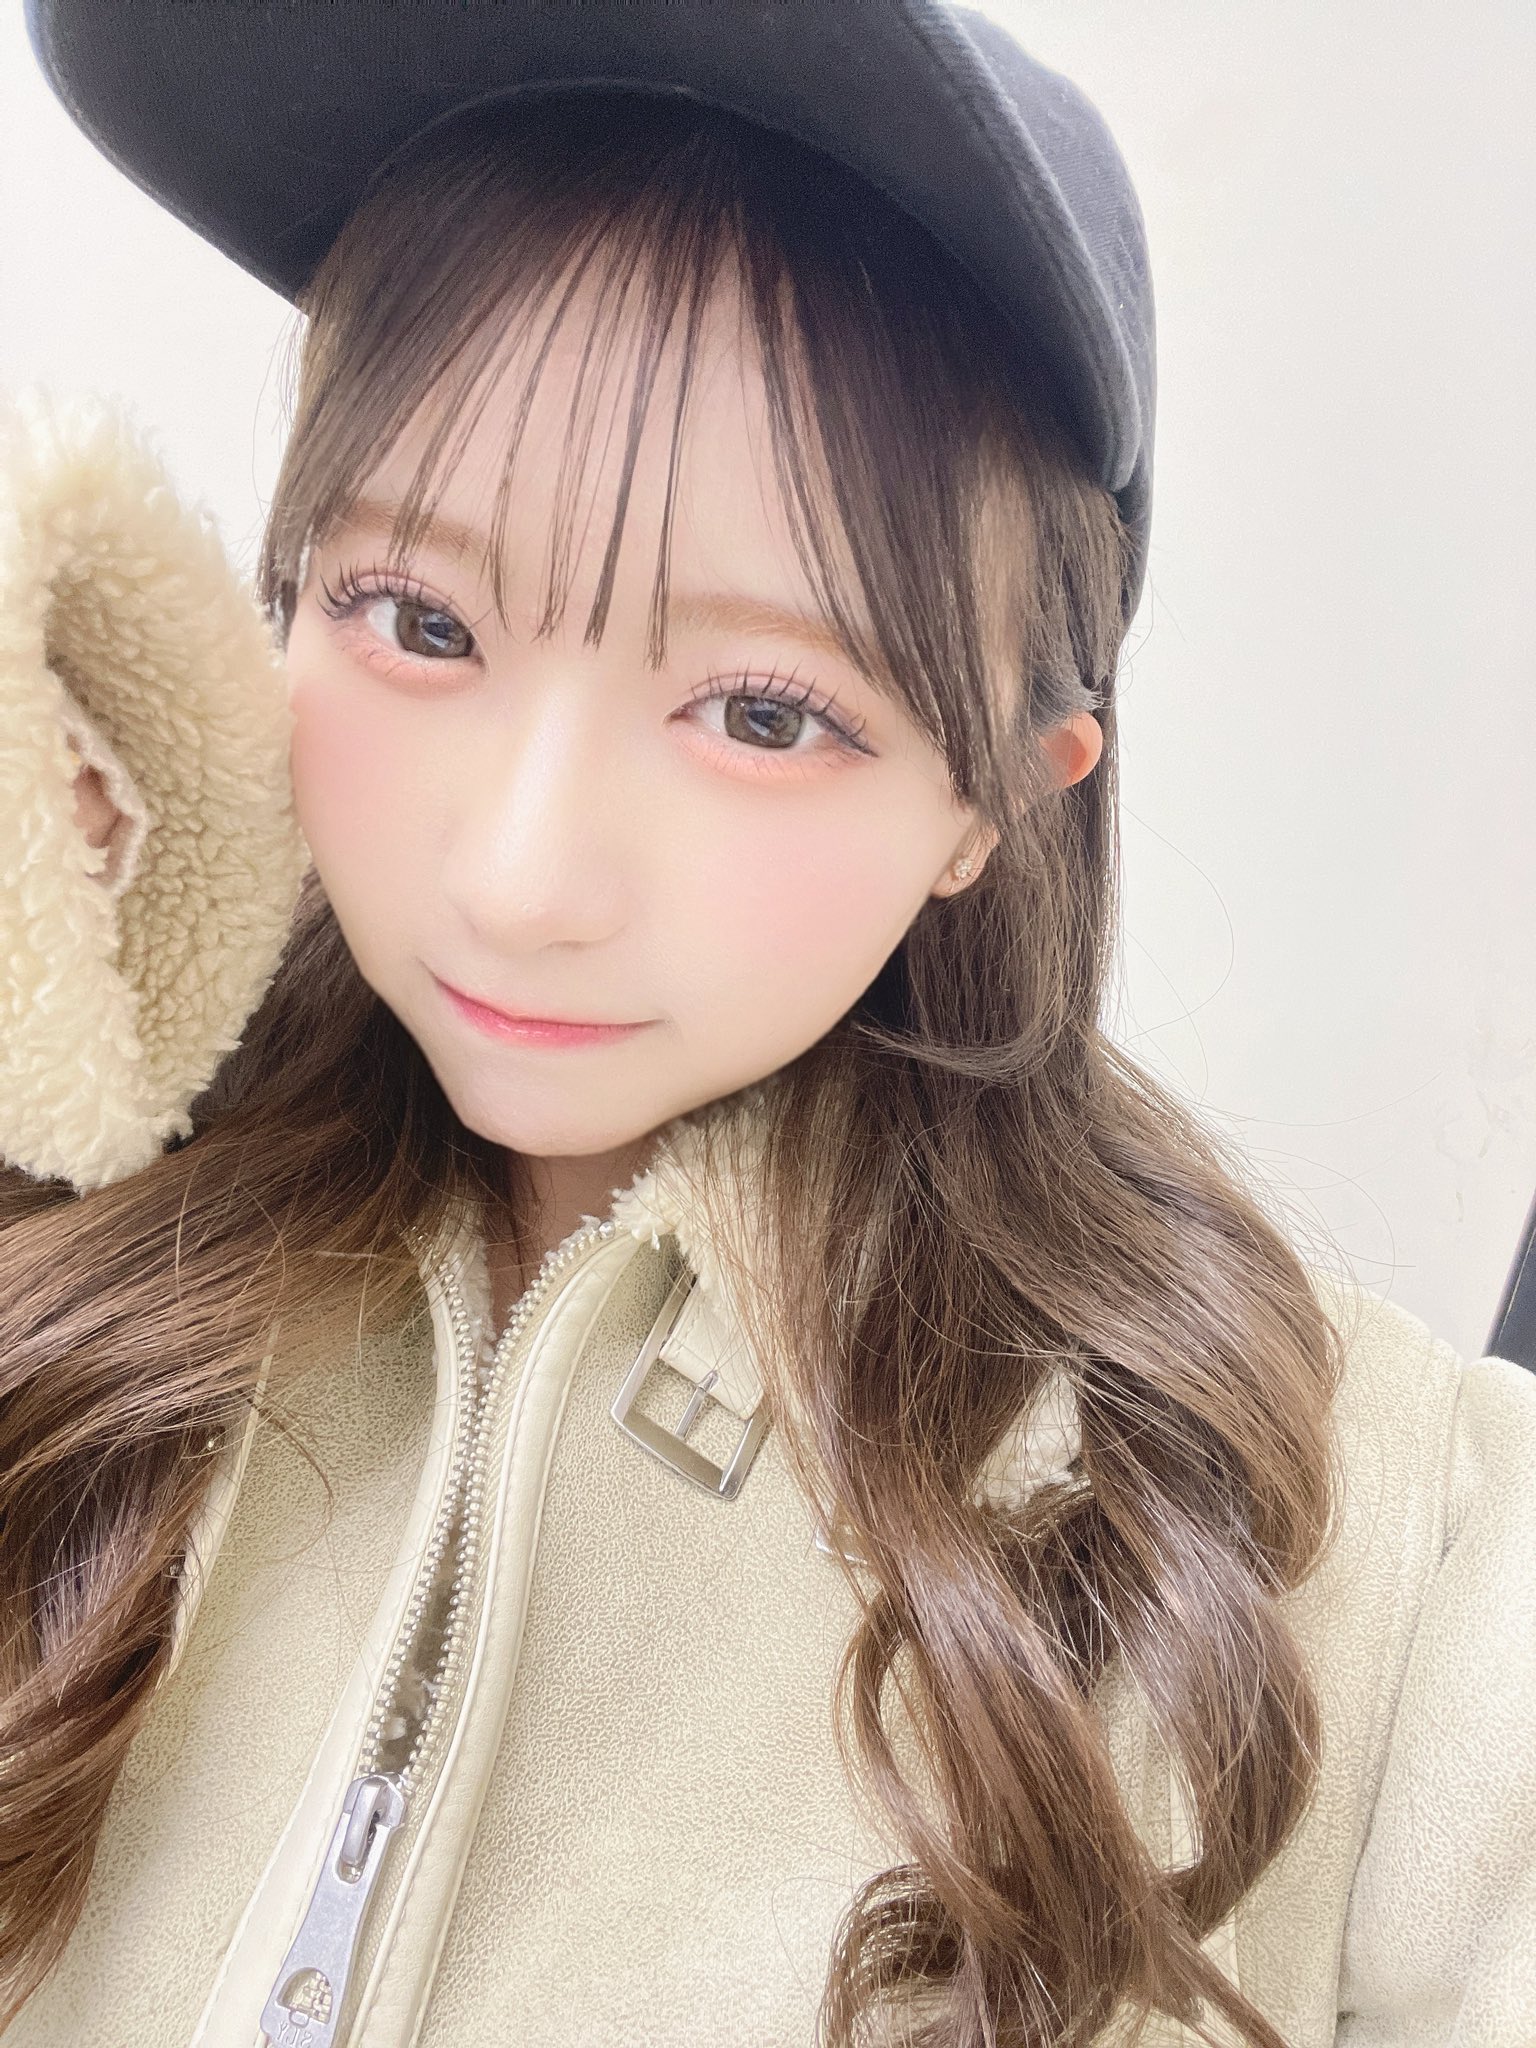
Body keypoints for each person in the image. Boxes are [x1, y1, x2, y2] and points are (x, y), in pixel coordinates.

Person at [3, 10, 1535, 2047]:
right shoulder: (71, 1223)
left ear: (1002, 796)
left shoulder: (1372, 1545)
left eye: (762, 713)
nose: (523, 877)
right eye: (421, 620)